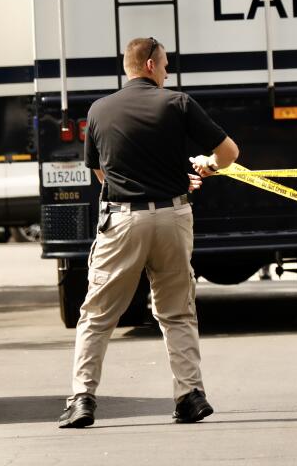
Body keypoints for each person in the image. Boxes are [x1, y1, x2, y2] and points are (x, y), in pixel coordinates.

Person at [59, 37, 240, 429]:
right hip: (173, 217)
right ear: (148, 66)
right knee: (177, 311)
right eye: (165, 64)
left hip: (123, 220)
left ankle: (82, 400)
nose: (167, 71)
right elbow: (229, 153)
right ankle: (190, 395)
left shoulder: (99, 111)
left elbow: (101, 174)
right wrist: (205, 169)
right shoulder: (177, 103)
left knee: (97, 315)